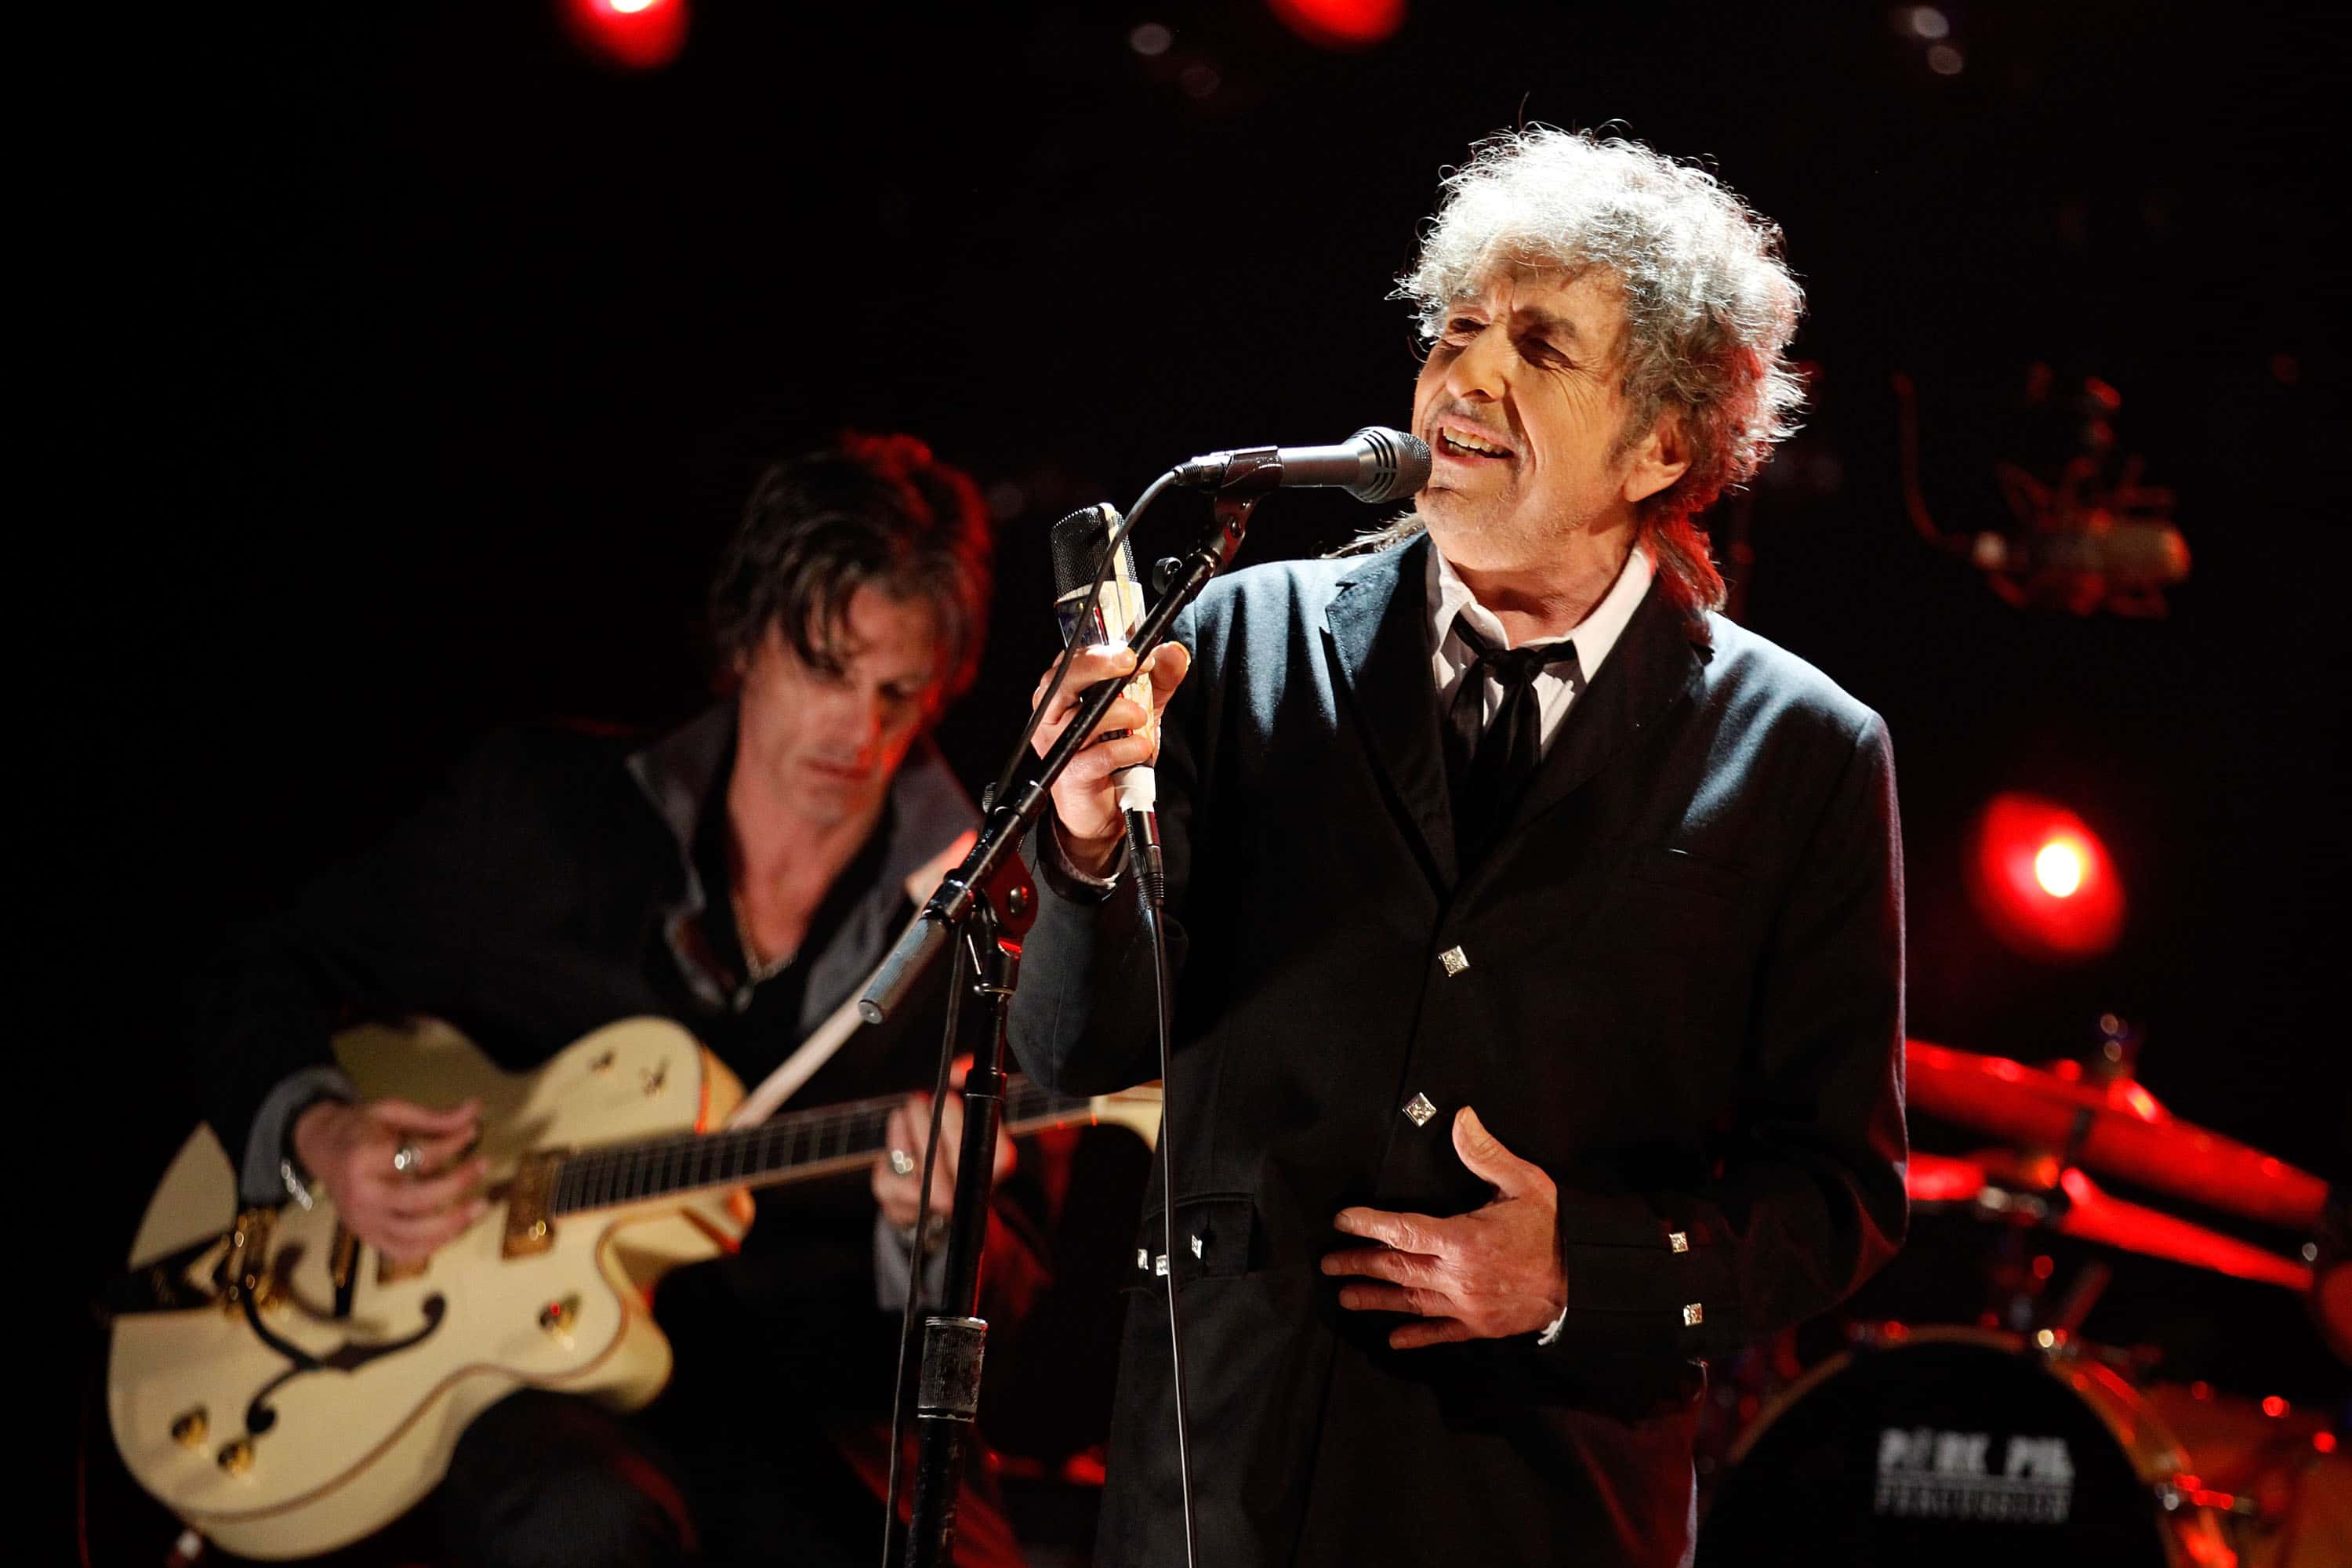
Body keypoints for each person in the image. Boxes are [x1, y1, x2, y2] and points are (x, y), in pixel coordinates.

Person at [1010, 128, 1908, 1567]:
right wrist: (1080, 837)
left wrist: (1578, 1275)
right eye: (1457, 327)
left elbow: (1838, 1197)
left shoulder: (1802, 750)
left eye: (1541, 346)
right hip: (1224, 1476)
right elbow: (1074, 1051)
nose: (1466, 377)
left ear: (1664, 444)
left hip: (1540, 1494)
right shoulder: (1239, 637)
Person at [190, 432, 1042, 1566]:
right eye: (827, 670)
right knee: (572, 1519)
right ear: (744, 641)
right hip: (532, 1395)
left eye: (902, 692)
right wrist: (321, 1127)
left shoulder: (983, 917)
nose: (862, 733)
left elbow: (1019, 1304)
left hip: (820, 1427)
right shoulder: (537, 817)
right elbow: (260, 967)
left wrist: (934, 1227)